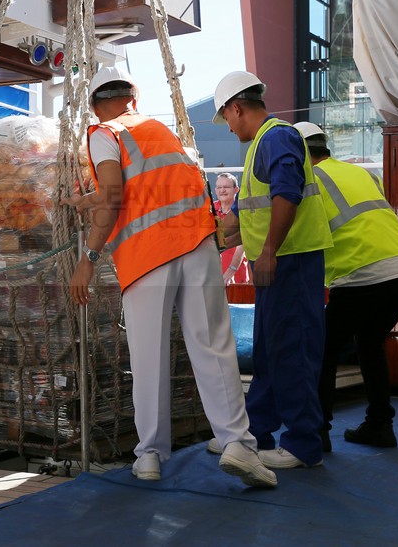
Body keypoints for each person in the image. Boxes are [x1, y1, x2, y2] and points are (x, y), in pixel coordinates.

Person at [64, 65, 276, 488]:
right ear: (134, 99)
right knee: (214, 347)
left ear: (94, 106)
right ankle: (237, 443)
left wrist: (87, 257)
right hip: (196, 244)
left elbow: (112, 194)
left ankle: (149, 457)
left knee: (149, 358)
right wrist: (89, 200)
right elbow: (146, 186)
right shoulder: (160, 131)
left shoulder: (105, 133)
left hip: (147, 259)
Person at [211, 71, 333, 469]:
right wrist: (216, 237)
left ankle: (302, 444)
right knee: (269, 351)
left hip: (291, 262)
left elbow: (287, 193)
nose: (227, 127)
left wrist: (268, 252)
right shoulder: (262, 145)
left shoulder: (277, 137)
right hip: (282, 263)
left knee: (292, 351)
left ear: (236, 108)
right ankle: (255, 433)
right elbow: (251, 211)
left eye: (225, 118)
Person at [293, 122, 398, 451]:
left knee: (324, 348)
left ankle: (317, 432)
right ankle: (380, 425)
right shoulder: (361, 173)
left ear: (301, 154)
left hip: (361, 272)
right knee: (370, 342)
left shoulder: (309, 180)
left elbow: (299, 234)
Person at [213, 172, 251, 285]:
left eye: (226, 187)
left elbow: (243, 243)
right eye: (219, 187)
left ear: (236, 189)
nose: (222, 190)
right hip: (213, 275)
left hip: (237, 274)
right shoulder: (210, 210)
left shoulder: (242, 210)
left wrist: (231, 270)